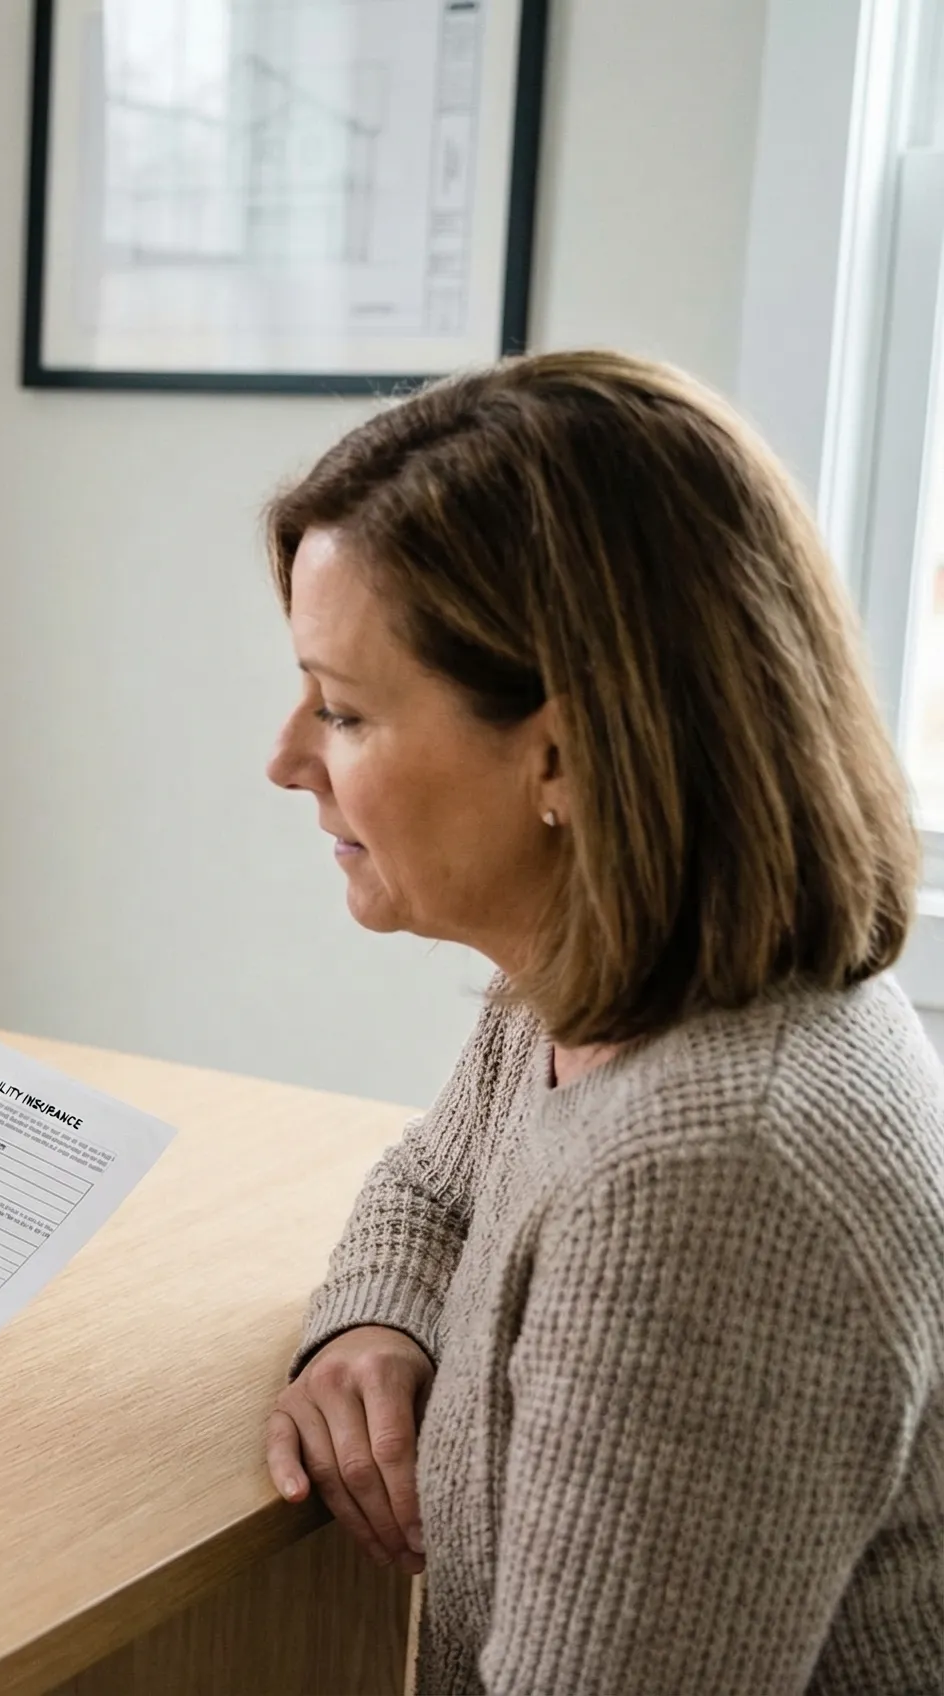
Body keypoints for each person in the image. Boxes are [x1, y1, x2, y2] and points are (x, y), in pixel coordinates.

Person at [259, 351, 944, 1692]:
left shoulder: (711, 1179)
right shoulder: (601, 970)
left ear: (562, 759)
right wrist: (371, 1332)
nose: (286, 758)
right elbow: (433, 1186)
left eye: (342, 710)